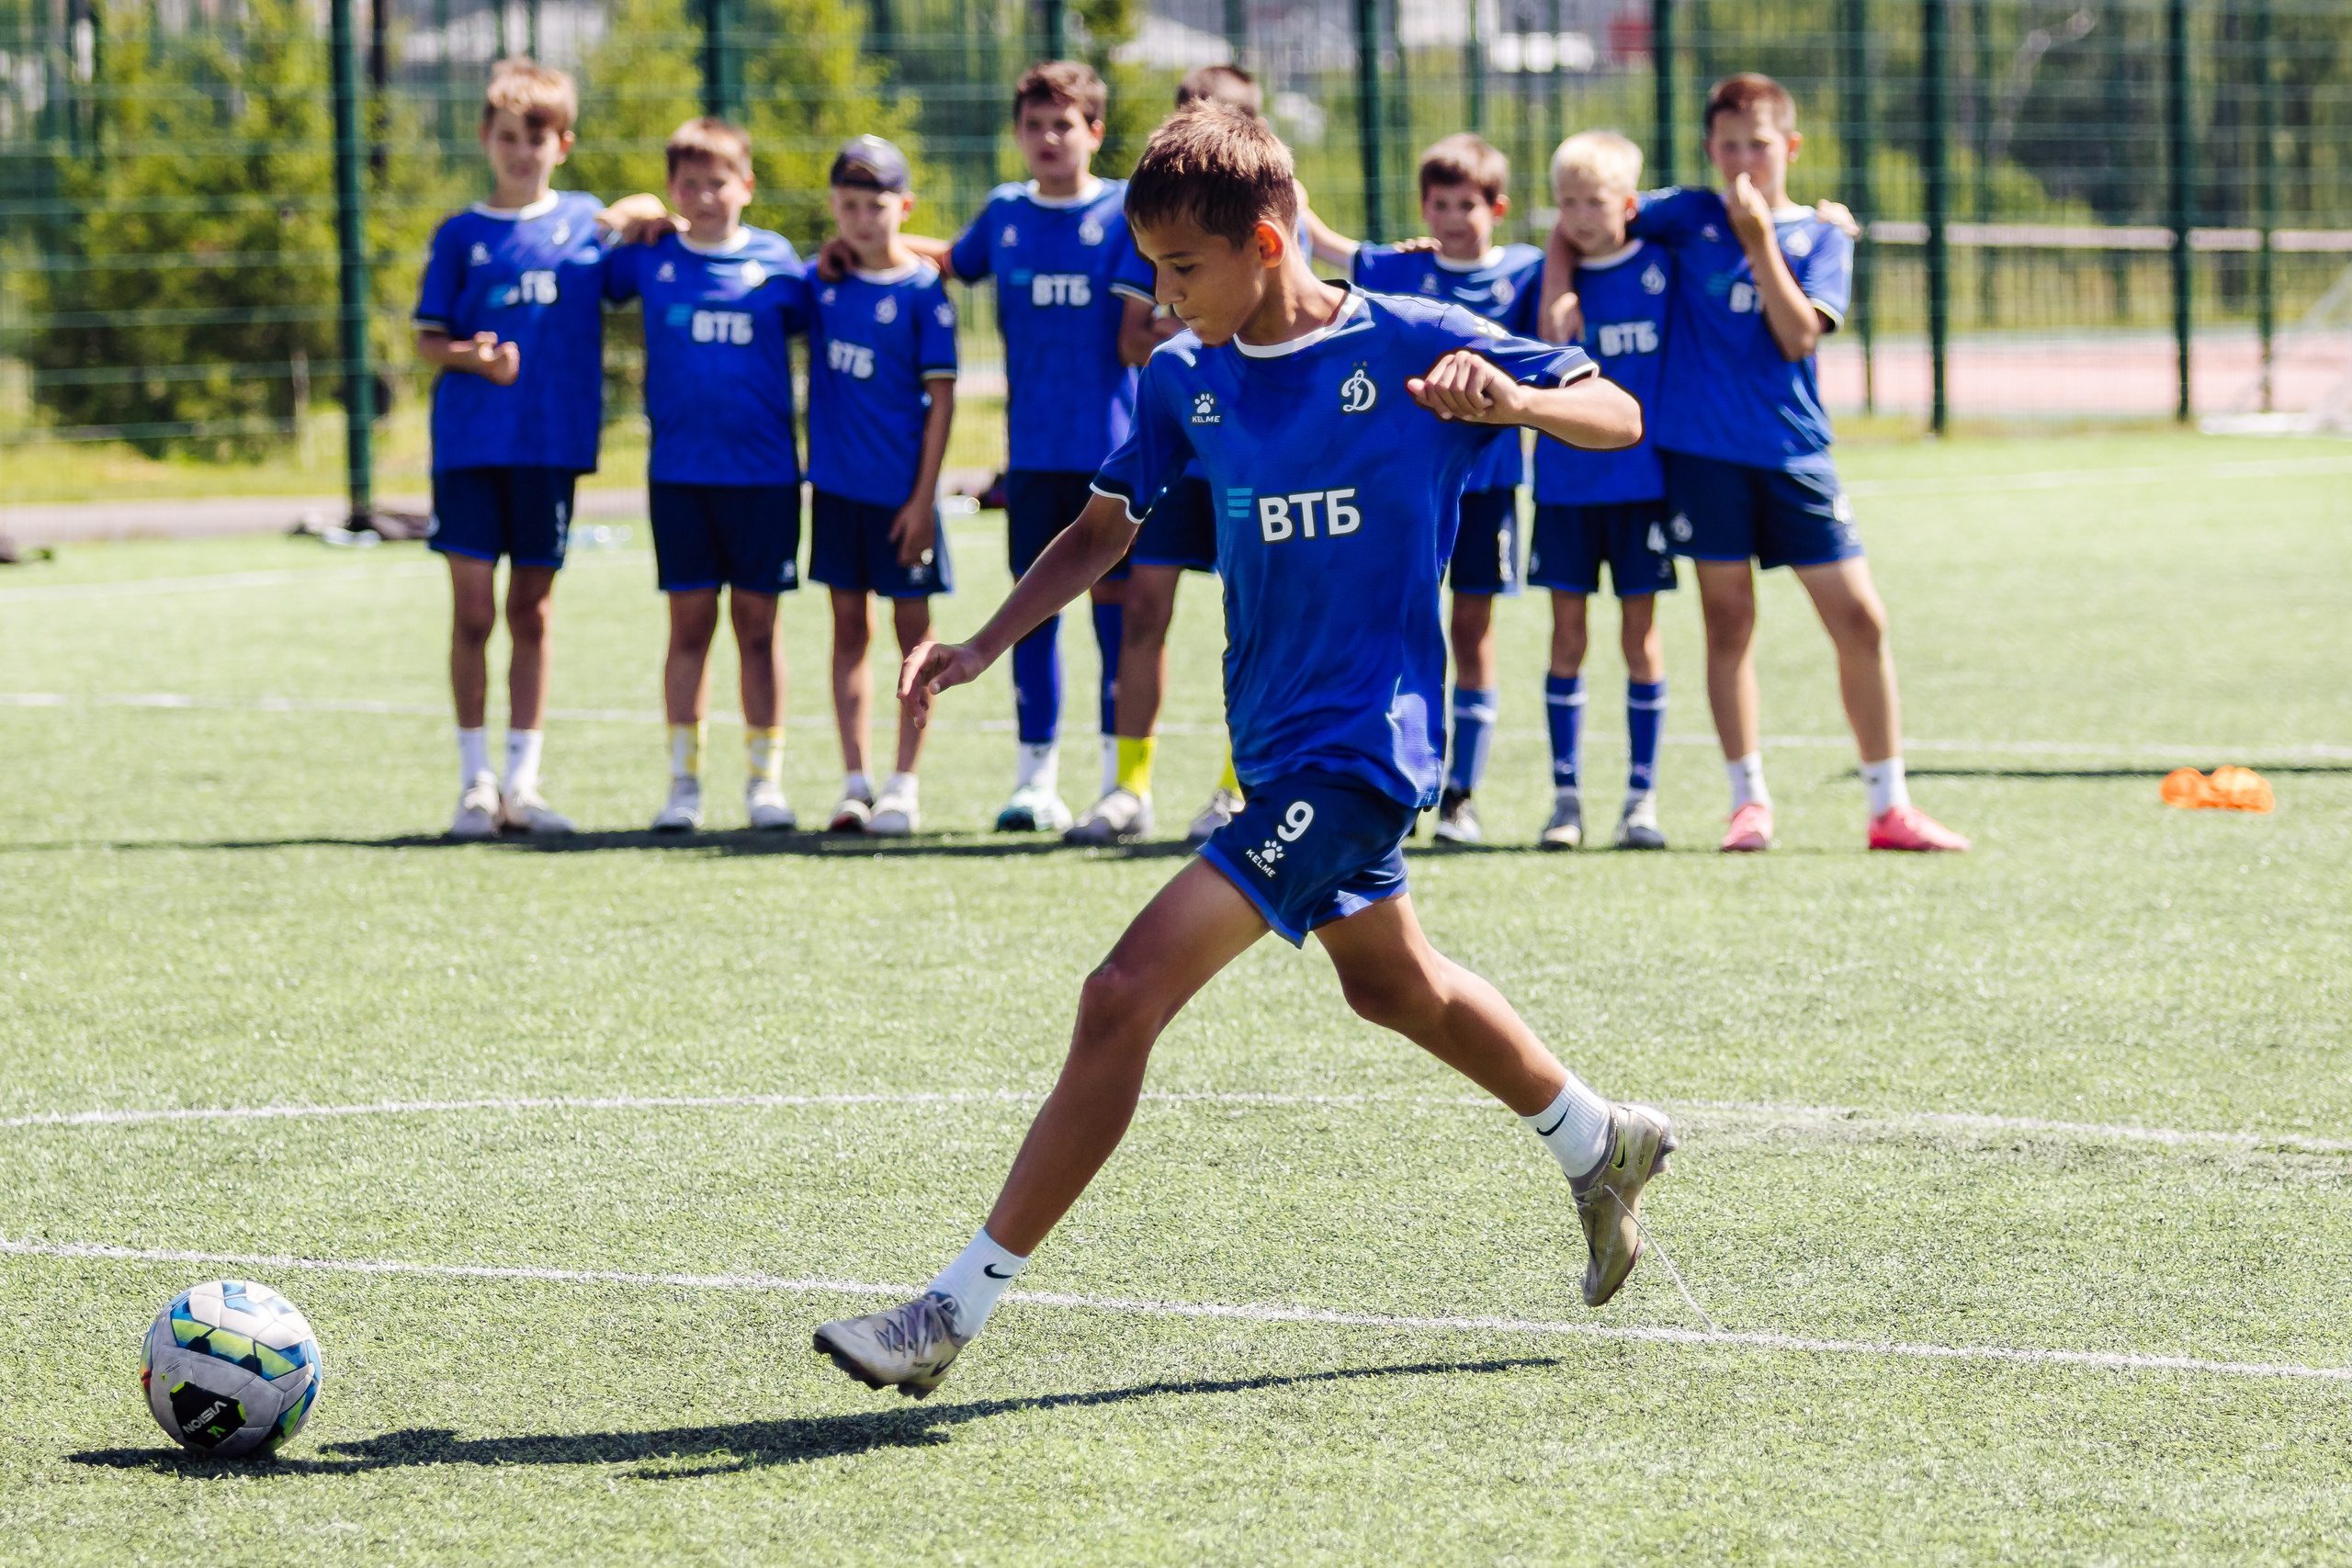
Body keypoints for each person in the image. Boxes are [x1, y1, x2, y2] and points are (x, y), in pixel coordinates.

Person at [813, 103, 1677, 1399]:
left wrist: (1514, 402)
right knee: (1392, 985)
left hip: (1363, 756)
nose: (1162, 299)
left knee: (1121, 993)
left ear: (1268, 243)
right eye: (1153, 271)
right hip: (1274, 750)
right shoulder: (1185, 377)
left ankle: (950, 1308)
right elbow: (1105, 527)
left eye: (1182, 270)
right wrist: (985, 640)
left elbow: (1617, 410)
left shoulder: (1412, 340)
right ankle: (1596, 1139)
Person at [1544, 74, 1967, 852]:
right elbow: (1581, 216)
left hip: (1793, 452)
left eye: (1760, 145)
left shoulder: (1824, 235)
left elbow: (1797, 336)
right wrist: (1559, 285)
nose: (1744, 160)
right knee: (1729, 620)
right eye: (1730, 145)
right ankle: (1749, 801)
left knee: (1860, 619)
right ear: (1710, 149)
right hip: (1703, 456)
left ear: (1791, 148)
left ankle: (1889, 806)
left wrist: (1759, 237)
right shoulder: (1685, 214)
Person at [823, 62, 1152, 834]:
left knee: (1115, 615)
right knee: (1030, 614)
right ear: (1017, 134)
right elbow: (950, 260)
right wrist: (859, 247)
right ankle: (1036, 781)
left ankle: (1120, 784)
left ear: (1094, 132)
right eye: (1033, 125)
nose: (1047, 138)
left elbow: (1143, 325)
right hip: (1031, 455)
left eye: (1063, 124)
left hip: (1111, 454)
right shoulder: (1005, 212)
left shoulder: (1123, 213)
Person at [1068, 62, 1316, 849]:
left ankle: (1239, 788)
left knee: (1258, 621)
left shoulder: (1275, 223)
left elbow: (1300, 321)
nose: (1169, 288)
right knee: (1143, 608)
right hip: (1184, 457)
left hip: (1258, 461)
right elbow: (1136, 336)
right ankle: (1128, 786)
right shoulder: (1161, 227)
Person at [414, 60, 653, 840]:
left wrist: (642, 209)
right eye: (509, 137)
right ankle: (474, 783)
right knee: (474, 612)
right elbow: (427, 339)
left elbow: (652, 230)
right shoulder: (460, 234)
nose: (522, 152)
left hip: (550, 446)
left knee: (532, 611)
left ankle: (523, 783)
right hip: (470, 448)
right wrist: (472, 358)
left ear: (563, 144)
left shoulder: (586, 224)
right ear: (486, 137)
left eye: (537, 138)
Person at [1316, 135, 1544, 845]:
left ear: (1496, 208)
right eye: (1439, 204)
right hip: (1401, 488)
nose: (1451, 218)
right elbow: (1321, 244)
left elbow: (1578, 256)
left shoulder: (1526, 271)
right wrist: (1285, 187)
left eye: (1466, 205)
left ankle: (1460, 796)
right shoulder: (1402, 267)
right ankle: (1399, 779)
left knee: (1472, 630)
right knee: (1399, 622)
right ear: (1423, 207)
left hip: (1487, 485)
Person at [605, 117, 807, 833]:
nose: (704, 195)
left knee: (758, 628)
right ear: (671, 188)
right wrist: (629, 213)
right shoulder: (651, 255)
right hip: (680, 476)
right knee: (688, 626)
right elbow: (589, 259)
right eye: (688, 183)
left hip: (765, 477)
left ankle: (764, 782)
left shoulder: (779, 263)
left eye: (718, 181)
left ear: (746, 185)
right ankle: (683, 784)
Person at [1525, 131, 1677, 852]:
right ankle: (1566, 799)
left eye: (1595, 201)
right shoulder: (1550, 278)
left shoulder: (1662, 264)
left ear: (1628, 203)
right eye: (1568, 203)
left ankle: (1641, 800)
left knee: (1640, 639)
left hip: (1642, 489)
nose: (1582, 216)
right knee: (1567, 637)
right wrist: (1558, 271)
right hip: (1563, 489)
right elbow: (1542, 343)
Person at [806, 137, 959, 837]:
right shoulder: (821, 283)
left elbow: (942, 403)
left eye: (876, 205)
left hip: (904, 500)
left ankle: (905, 784)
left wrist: (924, 501)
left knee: (913, 640)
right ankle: (855, 782)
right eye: (849, 206)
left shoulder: (923, 292)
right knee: (847, 630)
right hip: (837, 493)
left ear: (905, 206)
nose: (862, 219)